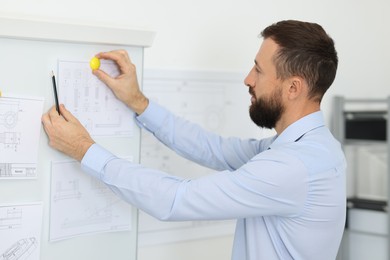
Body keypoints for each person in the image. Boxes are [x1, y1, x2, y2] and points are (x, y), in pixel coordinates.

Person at [42, 20, 346, 260]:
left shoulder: (293, 166)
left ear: (293, 88)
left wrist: (83, 149)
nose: (248, 79)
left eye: (259, 70)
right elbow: (213, 148)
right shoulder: (309, 148)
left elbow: (177, 200)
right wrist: (138, 102)